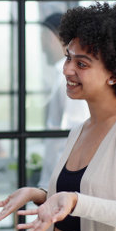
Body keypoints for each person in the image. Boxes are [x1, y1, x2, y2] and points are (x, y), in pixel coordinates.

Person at [0, 2, 116, 231]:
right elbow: (70, 203)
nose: (67, 70)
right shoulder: (79, 131)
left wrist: (75, 201)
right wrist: (38, 195)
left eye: (81, 64)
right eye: (68, 58)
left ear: (114, 74)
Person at [38, 12, 90, 189]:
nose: (42, 47)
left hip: (61, 184)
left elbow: (75, 131)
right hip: (56, 181)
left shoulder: (69, 80)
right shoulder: (59, 78)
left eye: (44, 38)